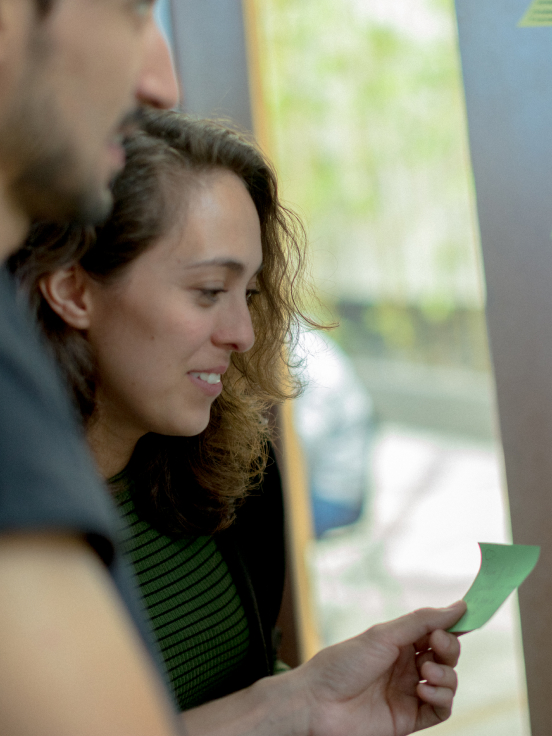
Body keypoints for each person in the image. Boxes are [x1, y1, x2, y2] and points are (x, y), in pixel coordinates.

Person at [0, 1, 465, 735]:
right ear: (73, 288)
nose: (244, 333)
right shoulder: (25, 509)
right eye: (209, 291)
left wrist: (304, 701)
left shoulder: (224, 482)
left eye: (248, 293)